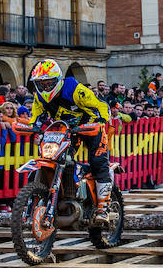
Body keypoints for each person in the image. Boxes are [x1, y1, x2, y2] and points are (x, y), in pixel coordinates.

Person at [27, 59, 114, 226]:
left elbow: (101, 105)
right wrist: (32, 128)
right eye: (41, 84)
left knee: (97, 161)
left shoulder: (74, 89)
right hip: (66, 129)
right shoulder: (40, 97)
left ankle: (103, 207)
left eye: (49, 83)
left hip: (90, 126)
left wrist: (101, 121)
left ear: (58, 80)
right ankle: (67, 195)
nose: (45, 87)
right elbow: (36, 118)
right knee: (57, 158)